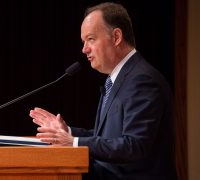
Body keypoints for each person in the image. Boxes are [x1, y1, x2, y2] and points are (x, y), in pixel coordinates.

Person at [29, 2, 177, 180]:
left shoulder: (142, 80)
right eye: (84, 42)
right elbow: (107, 138)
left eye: (90, 39)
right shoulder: (117, 78)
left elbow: (134, 145)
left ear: (116, 37)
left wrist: (74, 143)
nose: (84, 49)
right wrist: (67, 132)